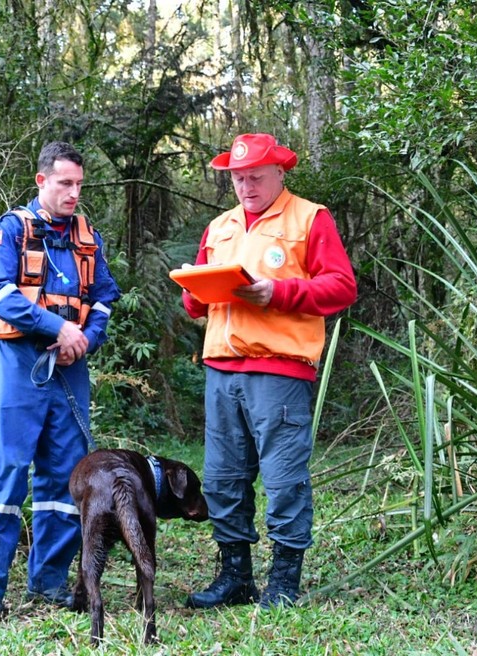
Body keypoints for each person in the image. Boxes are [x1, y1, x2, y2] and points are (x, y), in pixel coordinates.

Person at [181, 133, 357, 609]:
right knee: (221, 479)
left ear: (281, 172)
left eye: (255, 176)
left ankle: (284, 581)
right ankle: (236, 576)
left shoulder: (309, 217)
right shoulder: (220, 227)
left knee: (283, 479)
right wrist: (196, 290)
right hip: (221, 368)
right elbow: (193, 302)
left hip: (280, 371)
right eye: (238, 178)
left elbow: (341, 287)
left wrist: (277, 293)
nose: (246, 186)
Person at [0, 141, 121, 620]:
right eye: (65, 184)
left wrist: (85, 340)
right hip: (19, 364)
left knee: (66, 479)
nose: (74, 193)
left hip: (70, 370)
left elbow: (104, 299)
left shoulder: (86, 236)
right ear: (42, 181)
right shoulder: (9, 230)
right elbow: (2, 297)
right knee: (6, 472)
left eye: (79, 184)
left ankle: (48, 584)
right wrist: (59, 328)